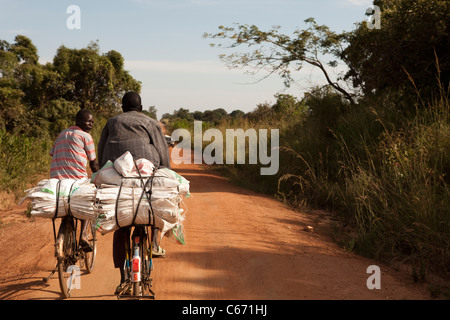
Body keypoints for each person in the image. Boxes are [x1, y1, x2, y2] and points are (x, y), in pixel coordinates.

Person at [97, 91, 170, 294]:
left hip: (118, 174)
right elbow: (162, 151)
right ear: (141, 107)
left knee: (121, 227)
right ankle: (154, 244)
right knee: (155, 203)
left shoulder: (112, 122)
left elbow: (102, 151)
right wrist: (166, 171)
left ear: (122, 106)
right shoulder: (150, 123)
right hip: (146, 171)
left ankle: (122, 279)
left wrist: (103, 171)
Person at [50, 108, 100, 251]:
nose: (91, 124)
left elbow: (52, 153)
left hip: (57, 179)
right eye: (88, 120)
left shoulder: (61, 134)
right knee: (87, 201)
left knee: (64, 204)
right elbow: (93, 163)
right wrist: (100, 177)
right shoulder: (86, 136)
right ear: (78, 121)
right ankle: (83, 235)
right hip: (77, 179)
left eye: (92, 122)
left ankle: (65, 228)